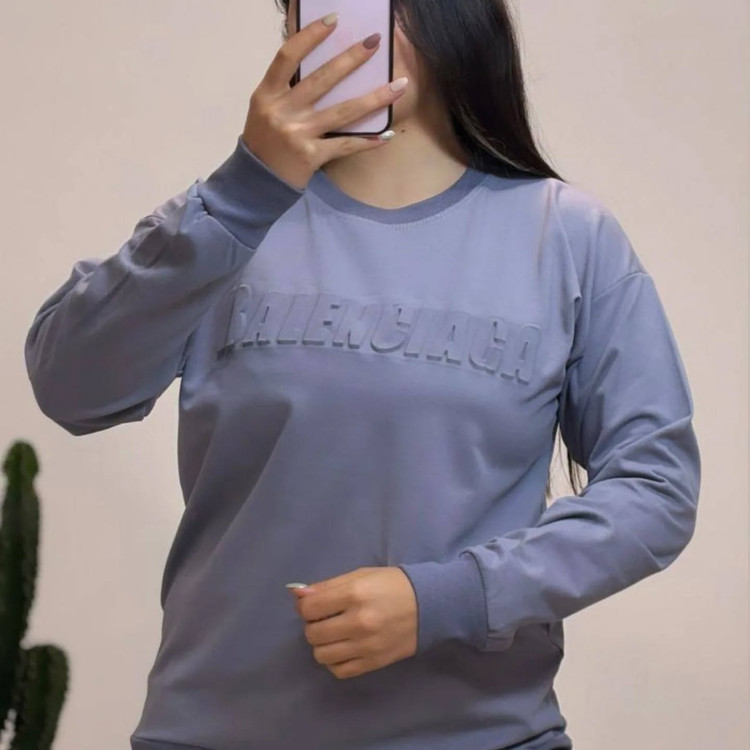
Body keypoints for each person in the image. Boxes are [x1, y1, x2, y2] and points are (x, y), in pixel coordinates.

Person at [23, 0, 702, 748]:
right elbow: (69, 386)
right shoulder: (223, 224)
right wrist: (245, 189)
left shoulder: (567, 238)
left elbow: (655, 489)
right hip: (215, 732)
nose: (353, 27)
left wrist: (449, 598)